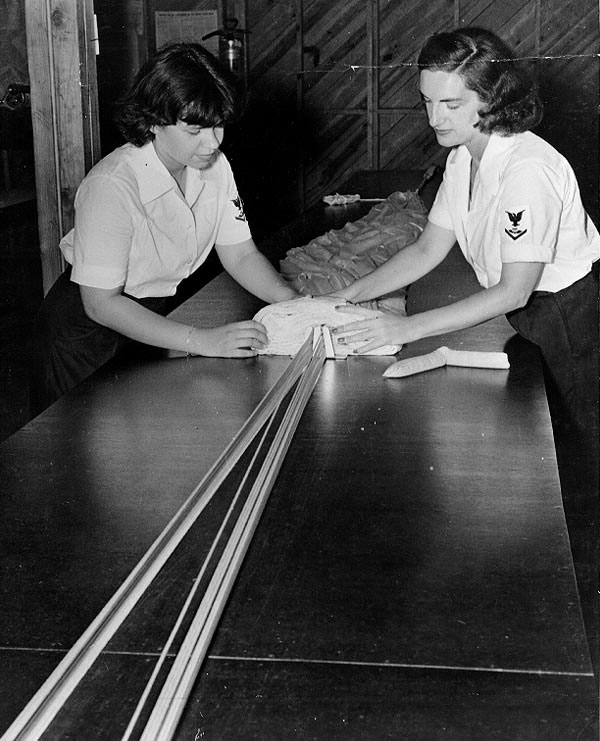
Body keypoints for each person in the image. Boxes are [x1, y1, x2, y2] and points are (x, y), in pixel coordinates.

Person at [333, 27, 599, 506]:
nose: (435, 117)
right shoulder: (460, 161)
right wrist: (344, 297)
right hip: (533, 314)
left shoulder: (526, 169)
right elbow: (424, 251)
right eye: (427, 102)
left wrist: (408, 325)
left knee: (583, 458)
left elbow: (513, 291)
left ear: (491, 99)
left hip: (570, 316)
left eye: (451, 105)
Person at [32, 42, 299, 412]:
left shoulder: (215, 166)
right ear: (155, 121)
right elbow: (101, 304)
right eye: (195, 130)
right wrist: (204, 340)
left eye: (218, 125)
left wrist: (295, 306)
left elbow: (240, 254)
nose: (213, 142)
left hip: (149, 318)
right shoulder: (112, 184)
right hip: (85, 334)